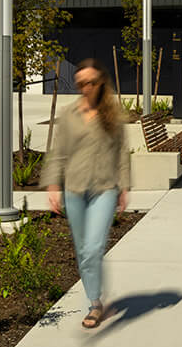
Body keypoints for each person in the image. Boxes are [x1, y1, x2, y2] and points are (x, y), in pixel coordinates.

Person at [42, 59, 129, 329]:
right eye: (80, 83)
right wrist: (53, 185)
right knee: (82, 250)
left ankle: (93, 304)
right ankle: (97, 299)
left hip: (104, 188)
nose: (84, 88)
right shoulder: (69, 114)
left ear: (100, 83)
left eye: (89, 82)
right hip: (74, 190)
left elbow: (122, 152)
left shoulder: (113, 113)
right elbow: (59, 152)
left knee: (92, 248)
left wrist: (124, 186)